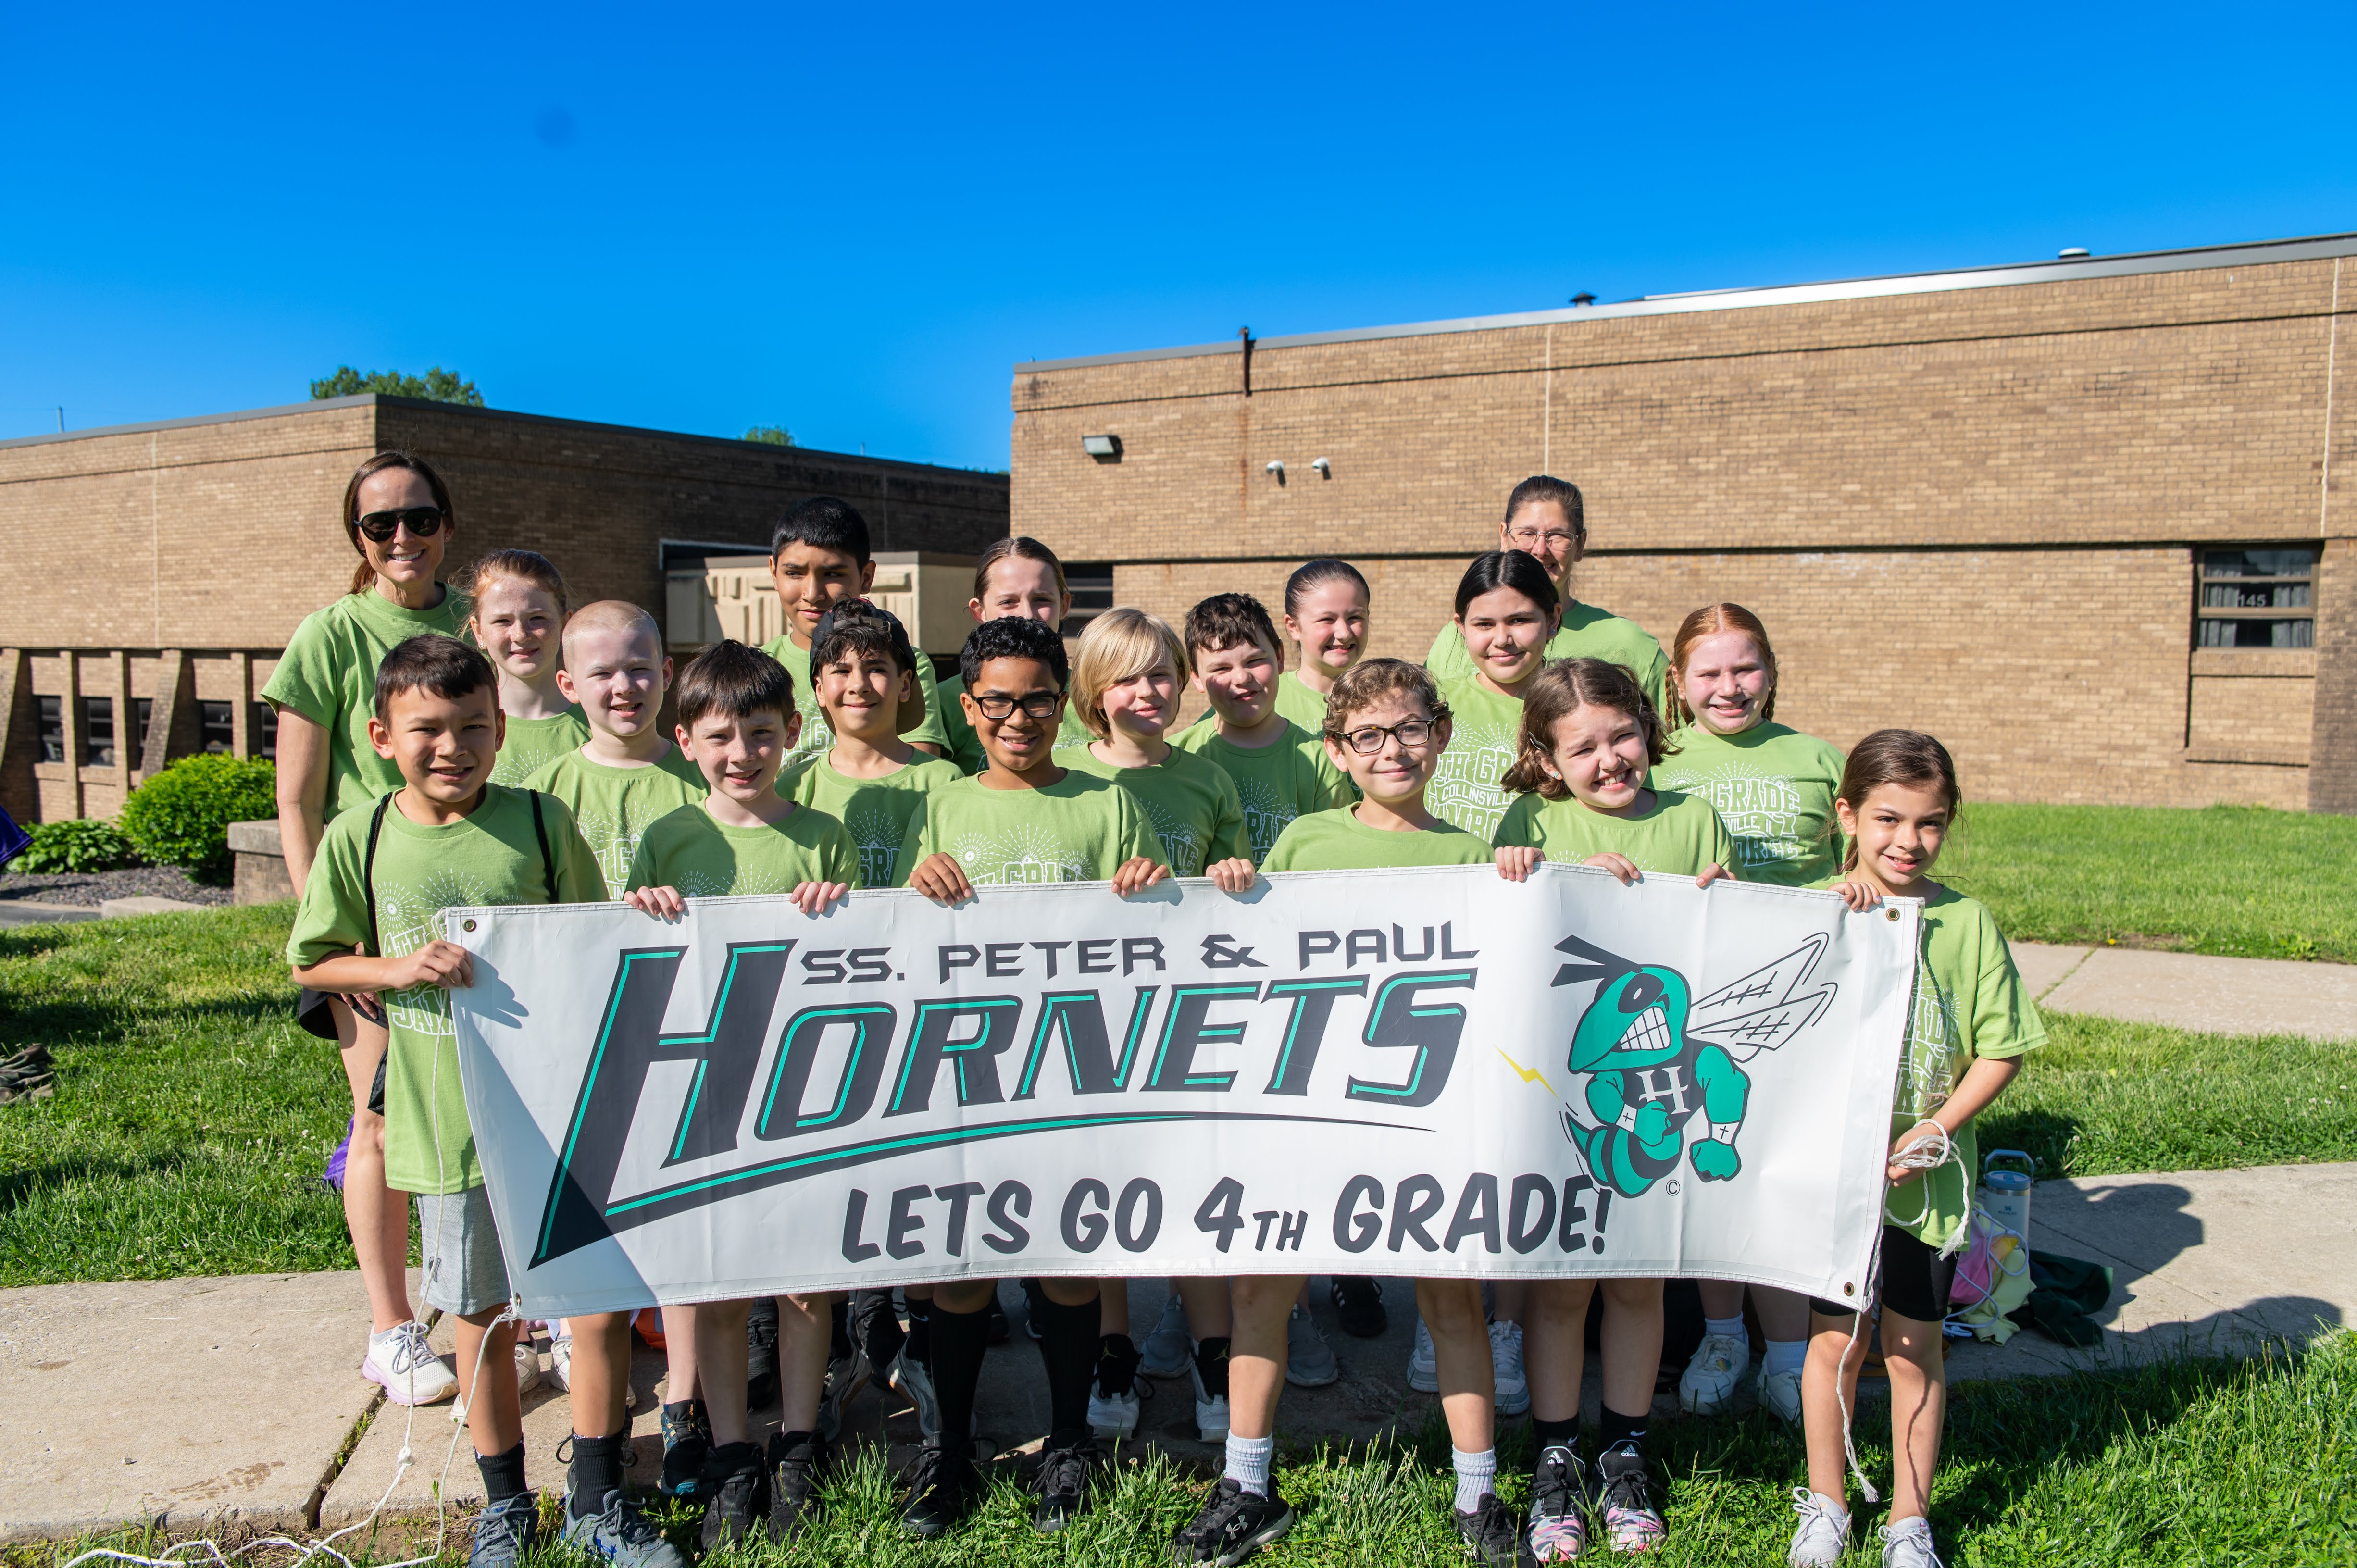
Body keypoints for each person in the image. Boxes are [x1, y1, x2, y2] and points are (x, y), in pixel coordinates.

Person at [286, 636, 677, 1568]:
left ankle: (595, 1496)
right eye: (427, 728)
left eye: (473, 726)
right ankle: (507, 1502)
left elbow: (594, 945)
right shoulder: (362, 836)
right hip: (446, 1121)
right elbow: (313, 958)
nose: (451, 746)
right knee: (480, 1312)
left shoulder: (541, 824)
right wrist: (393, 966)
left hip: (559, 1120)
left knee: (592, 1309)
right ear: (383, 735)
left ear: (501, 729)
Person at [1172, 658, 1518, 1568]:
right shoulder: (1304, 846)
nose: (1391, 748)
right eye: (1368, 735)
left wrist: (1527, 876)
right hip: (1309, 1104)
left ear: (1441, 734)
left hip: (1428, 1112)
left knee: (1449, 1297)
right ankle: (1246, 1483)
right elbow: (1246, 957)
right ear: (1337, 749)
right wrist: (1233, 881)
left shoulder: (1472, 854)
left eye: (1409, 729)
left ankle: (1477, 1496)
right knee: (1261, 1292)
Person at [890, 615, 1192, 1539]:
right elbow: (892, 937)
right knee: (962, 1272)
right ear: (967, 707)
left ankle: (1067, 1442)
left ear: (1064, 703)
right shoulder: (937, 803)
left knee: (1064, 1264)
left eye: (1037, 699)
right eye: (997, 701)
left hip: (1069, 1073)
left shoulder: (1105, 803)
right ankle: (949, 1454)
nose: (1017, 717)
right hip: (965, 1073)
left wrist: (1152, 886)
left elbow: (1161, 940)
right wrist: (914, 882)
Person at [1491, 657, 1737, 1561]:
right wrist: (1533, 869)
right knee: (1562, 1284)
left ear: (1649, 727)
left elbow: (1726, 944)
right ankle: (1555, 1450)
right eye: (1582, 747)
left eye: (1622, 735)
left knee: (1639, 1278)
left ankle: (1625, 1446)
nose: (1609, 759)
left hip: (1662, 1102)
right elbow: (1504, 928)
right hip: (1563, 1095)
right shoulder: (1531, 820)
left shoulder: (1692, 818)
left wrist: (1718, 906)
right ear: (1547, 760)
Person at [621, 640, 857, 1548]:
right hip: (707, 1089)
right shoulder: (667, 840)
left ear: (793, 733)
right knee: (717, 1282)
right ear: (684, 740)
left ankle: (798, 1441)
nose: (741, 753)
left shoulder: (822, 835)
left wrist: (838, 904)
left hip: (807, 1086)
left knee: (802, 1279)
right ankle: (730, 1450)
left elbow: (864, 953)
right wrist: (637, 909)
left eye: (761, 733)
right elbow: (635, 962)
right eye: (720, 736)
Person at [1789, 731, 2043, 1568]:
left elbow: (2000, 1046)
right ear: (1846, 815)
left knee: (1912, 1347)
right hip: (1835, 1185)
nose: (1906, 841)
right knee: (1835, 1344)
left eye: (1928, 824)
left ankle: (1907, 1520)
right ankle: (1826, 1504)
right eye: (1887, 819)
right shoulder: (1815, 909)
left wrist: (1937, 1125)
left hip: (1925, 1194)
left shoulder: (1966, 923)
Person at [265, 450, 471, 1408]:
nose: (402, 538)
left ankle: (494, 1298)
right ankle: (392, 1326)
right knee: (383, 1118)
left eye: (418, 518)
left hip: (476, 897)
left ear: (446, 523)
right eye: (379, 524)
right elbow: (297, 797)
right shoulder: (330, 633)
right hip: (372, 909)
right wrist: (326, 925)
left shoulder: (477, 617)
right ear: (357, 537)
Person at [1053, 606, 1256, 1440]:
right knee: (1104, 1196)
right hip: (1089, 1019)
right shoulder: (1063, 773)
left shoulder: (1207, 776)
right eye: (1126, 677)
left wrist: (1229, 873)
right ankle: (1114, 1349)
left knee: (1188, 1186)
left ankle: (1214, 1357)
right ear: (1093, 691)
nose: (1148, 691)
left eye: (1161, 674)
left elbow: (1242, 889)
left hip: (1187, 1017)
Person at [1650, 603, 1847, 1422]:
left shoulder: (1817, 759)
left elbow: (1862, 861)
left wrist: (1857, 887)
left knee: (1787, 1169)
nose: (1728, 688)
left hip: (1806, 1004)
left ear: (1770, 669)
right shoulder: (1656, 764)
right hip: (1704, 1003)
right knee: (1714, 1162)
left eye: (1745, 669)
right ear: (1677, 684)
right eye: (1709, 673)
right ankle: (1723, 1331)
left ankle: (1793, 1348)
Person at [783, 601, 964, 1451]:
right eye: (842, 670)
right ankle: (851, 1337)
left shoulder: (942, 780)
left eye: (877, 668)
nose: (861, 685)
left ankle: (920, 1338)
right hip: (831, 1013)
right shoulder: (795, 783)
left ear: (906, 682)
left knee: (919, 1178)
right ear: (817, 687)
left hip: (927, 1009)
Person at [1424, 475, 1670, 715]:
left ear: (1580, 544)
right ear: (1504, 536)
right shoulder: (1451, 640)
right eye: (1527, 534)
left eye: (1557, 536)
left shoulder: (1631, 644)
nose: (1540, 550)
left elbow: (1674, 744)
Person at [522, 601, 708, 900]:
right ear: (569, 686)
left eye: (638, 669)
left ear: (666, 673)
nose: (623, 686)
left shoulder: (709, 780)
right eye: (602, 674)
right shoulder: (540, 795)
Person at [756, 495, 949, 778]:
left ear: (867, 576)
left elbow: (917, 780)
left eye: (833, 573)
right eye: (794, 573)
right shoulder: (757, 669)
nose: (812, 594)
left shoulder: (903, 660)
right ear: (774, 573)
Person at [1172, 591, 1349, 866]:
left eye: (1254, 661)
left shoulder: (1319, 765)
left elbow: (1336, 861)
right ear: (1196, 678)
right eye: (1221, 668)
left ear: (1279, 657)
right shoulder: (1176, 757)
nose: (1242, 678)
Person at [1428, 550, 1560, 846]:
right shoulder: (1429, 703)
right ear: (1461, 627)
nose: (1502, 639)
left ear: (1553, 619)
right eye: (1484, 625)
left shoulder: (1577, 708)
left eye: (1519, 620)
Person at [936, 536, 1095, 771]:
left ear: (1064, 605)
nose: (1027, 614)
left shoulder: (1095, 694)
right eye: (1008, 602)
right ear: (979, 611)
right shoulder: (942, 702)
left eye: (1042, 599)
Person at [462, 550, 589, 786]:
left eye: (537, 618)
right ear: (478, 631)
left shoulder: (600, 723)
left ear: (565, 624)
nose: (520, 635)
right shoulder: (461, 728)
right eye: (502, 621)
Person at [1275, 557, 1372, 740]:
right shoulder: (1265, 698)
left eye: (1355, 618)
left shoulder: (1385, 697)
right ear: (1293, 627)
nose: (1344, 633)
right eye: (1327, 620)